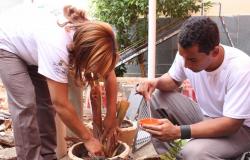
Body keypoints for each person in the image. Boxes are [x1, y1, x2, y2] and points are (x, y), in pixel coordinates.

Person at [0, 4, 118, 160]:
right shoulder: (58, 46)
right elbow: (61, 104)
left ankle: (48, 156)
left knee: (45, 103)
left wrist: (111, 115)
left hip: (33, 45)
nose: (95, 73)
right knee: (26, 103)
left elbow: (110, 74)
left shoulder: (97, 37)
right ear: (83, 56)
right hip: (7, 43)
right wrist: (88, 138)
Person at [136, 16, 250, 160]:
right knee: (157, 97)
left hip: (240, 129)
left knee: (194, 153)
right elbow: (172, 80)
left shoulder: (241, 69)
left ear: (214, 52)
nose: (185, 65)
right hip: (205, 116)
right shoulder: (187, 53)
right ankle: (169, 156)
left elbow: (231, 124)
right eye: (182, 56)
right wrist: (155, 82)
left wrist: (178, 132)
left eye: (192, 60)